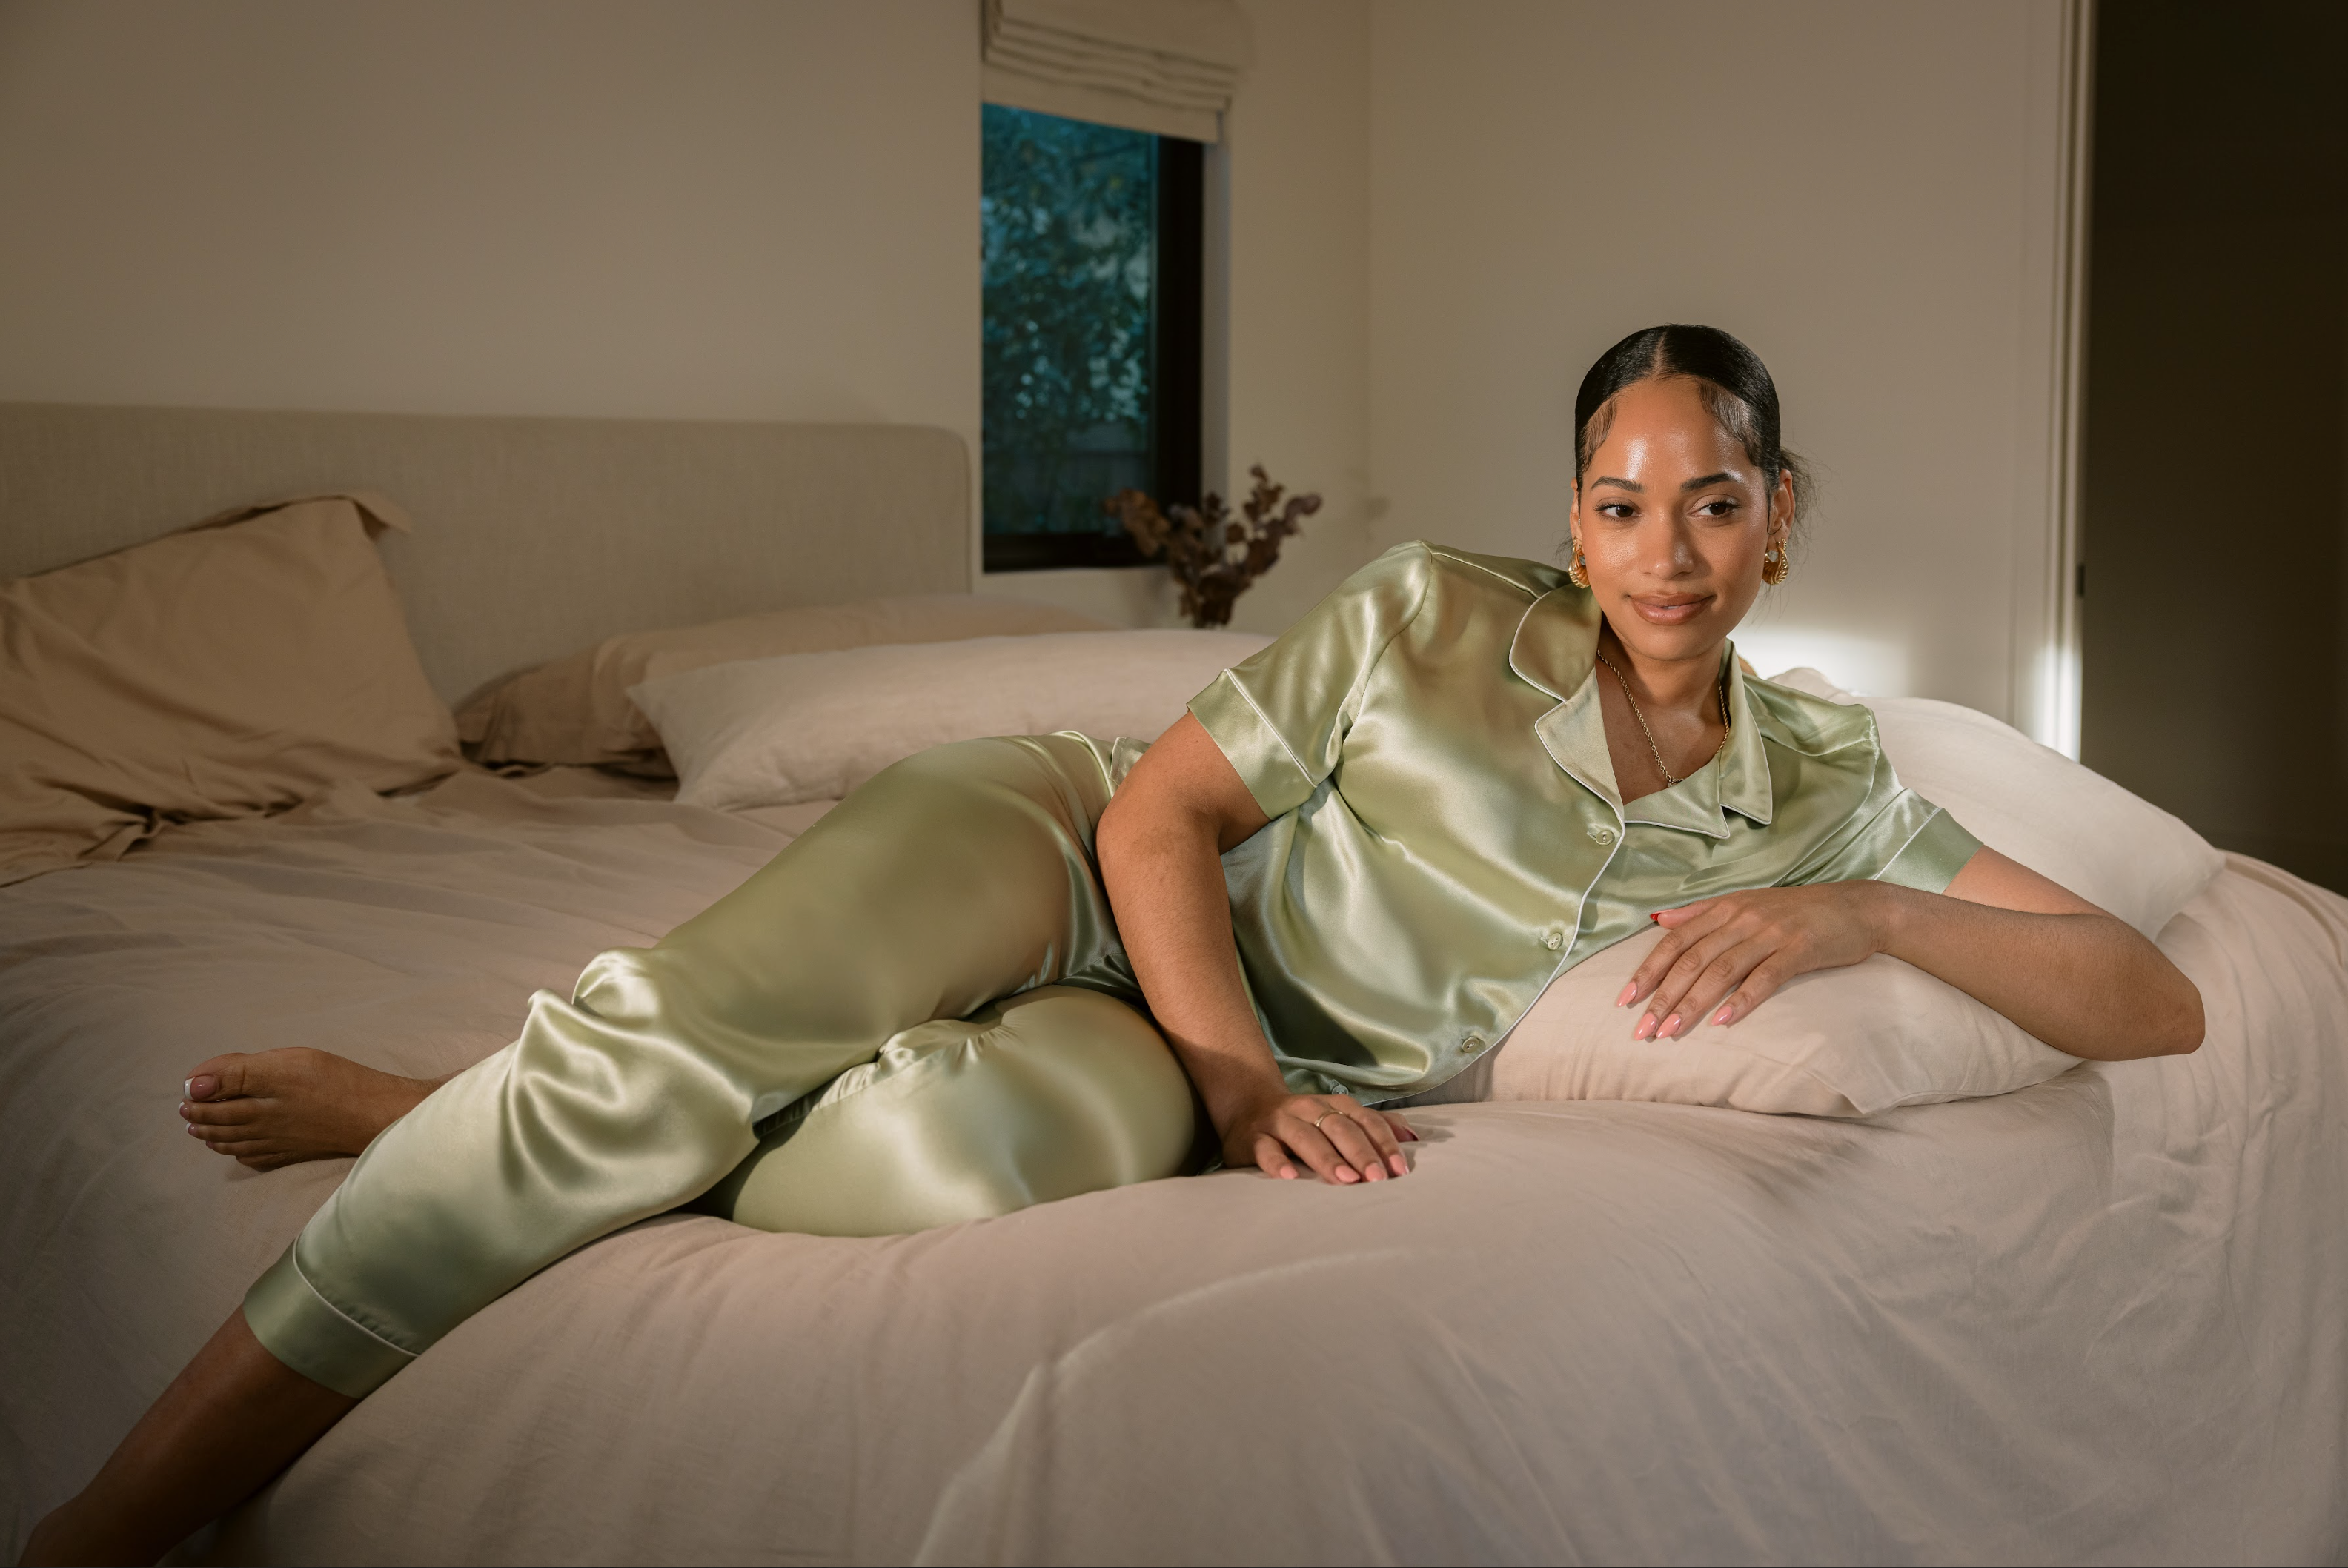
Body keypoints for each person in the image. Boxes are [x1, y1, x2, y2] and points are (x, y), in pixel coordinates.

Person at [24, 325, 2203, 1564]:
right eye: (1621, 502)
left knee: (953, 1168)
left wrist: (1864, 904)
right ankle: (125, 1510)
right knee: (654, 1055)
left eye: (1712, 501)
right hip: (1071, 861)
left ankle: (478, 1116)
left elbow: (2152, 993)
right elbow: (1166, 808)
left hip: (1158, 1058)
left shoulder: (1817, 771)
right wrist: (1248, 1077)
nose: (1666, 550)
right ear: (1571, 516)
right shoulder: (1434, 611)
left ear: (1783, 511)